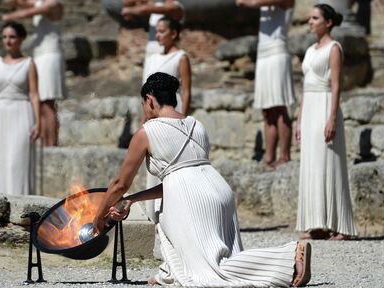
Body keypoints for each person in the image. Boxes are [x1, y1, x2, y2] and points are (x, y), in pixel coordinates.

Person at [92, 72, 312, 287]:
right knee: (219, 258)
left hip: (191, 201)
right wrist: (132, 199)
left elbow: (120, 183)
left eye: (143, 103)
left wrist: (98, 218)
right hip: (220, 192)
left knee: (213, 272)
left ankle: (289, 257)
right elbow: (181, 178)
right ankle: (170, 273)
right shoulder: (197, 125)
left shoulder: (146, 132)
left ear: (149, 100)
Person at [295, 4, 357, 240]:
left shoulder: (334, 48)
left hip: (324, 107)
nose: (310, 22)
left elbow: (336, 85)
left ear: (328, 22)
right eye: (309, 18)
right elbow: (304, 86)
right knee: (312, 164)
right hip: (309, 107)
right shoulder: (310, 50)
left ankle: (340, 225)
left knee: (328, 162)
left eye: (315, 18)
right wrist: (299, 120)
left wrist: (332, 117)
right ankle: (317, 223)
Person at [235, 0, 297, 168]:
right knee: (267, 110)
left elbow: (252, 3)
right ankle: (269, 156)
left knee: (280, 107)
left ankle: (285, 155)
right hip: (263, 55)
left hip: (278, 53)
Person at [3, 0, 65, 147]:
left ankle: (52, 146)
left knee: (47, 104)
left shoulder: (54, 2)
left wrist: (10, 16)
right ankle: (46, 144)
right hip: (40, 56)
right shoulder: (39, 2)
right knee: (39, 103)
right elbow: (11, 2)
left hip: (50, 56)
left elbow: (27, 13)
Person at [142, 16, 192, 227]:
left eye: (163, 31)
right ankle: (153, 214)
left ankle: (172, 213)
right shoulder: (151, 58)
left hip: (172, 111)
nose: (159, 35)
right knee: (153, 161)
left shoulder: (181, 57)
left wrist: (184, 121)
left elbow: (187, 91)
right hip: (152, 113)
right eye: (157, 31)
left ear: (174, 33)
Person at [0, 21, 41, 195]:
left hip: (21, 112)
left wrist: (38, 122)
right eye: (5, 37)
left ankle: (20, 205)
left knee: (18, 160)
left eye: (12, 37)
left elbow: (34, 94)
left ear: (21, 39)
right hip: (0, 113)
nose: (8, 41)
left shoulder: (29, 63)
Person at [121, 0, 184, 77]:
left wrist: (131, 11)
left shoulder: (176, 8)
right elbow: (126, 3)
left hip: (168, 56)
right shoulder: (157, 6)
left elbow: (145, 9)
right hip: (151, 54)